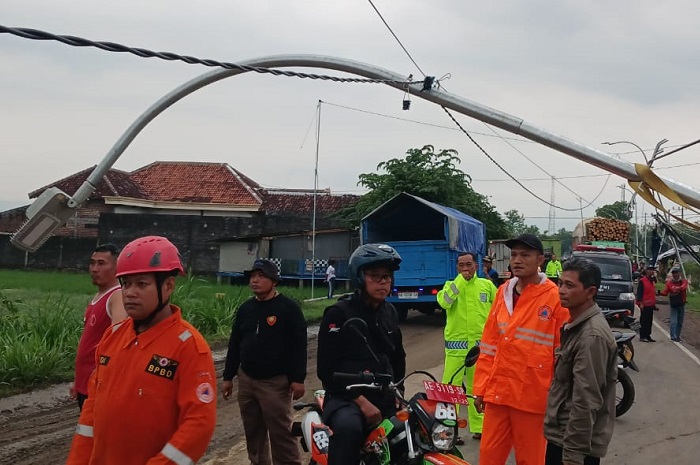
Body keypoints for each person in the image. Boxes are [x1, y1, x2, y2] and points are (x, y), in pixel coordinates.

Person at [67, 236, 217, 464]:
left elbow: (199, 424)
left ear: (168, 286)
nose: (130, 293)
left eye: (142, 284)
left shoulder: (189, 347)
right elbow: (91, 411)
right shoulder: (112, 336)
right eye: (126, 284)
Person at [473, 233, 569, 465]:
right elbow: (489, 345)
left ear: (540, 260)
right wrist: (481, 388)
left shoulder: (554, 298)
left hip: (532, 397)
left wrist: (559, 399)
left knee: (531, 460)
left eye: (525, 255)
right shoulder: (503, 292)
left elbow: (563, 354)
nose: (517, 260)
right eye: (514, 255)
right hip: (499, 394)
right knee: (489, 457)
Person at [317, 244, 406, 465]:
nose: (383, 282)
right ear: (359, 278)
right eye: (375, 276)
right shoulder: (338, 314)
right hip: (346, 398)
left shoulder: (390, 312)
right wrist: (361, 402)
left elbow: (397, 357)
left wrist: (399, 392)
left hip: (383, 394)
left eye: (387, 277)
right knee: (349, 429)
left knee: (411, 432)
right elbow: (325, 371)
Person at [222, 258, 307, 465]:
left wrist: (298, 379)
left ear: (274, 281)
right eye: (252, 277)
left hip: (275, 382)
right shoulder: (246, 309)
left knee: (281, 432)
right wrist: (228, 377)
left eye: (260, 276)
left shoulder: (288, 309)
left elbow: (299, 346)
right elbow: (235, 344)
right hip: (247, 379)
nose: (255, 281)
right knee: (253, 430)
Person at [544, 257, 617, 465]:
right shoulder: (575, 325)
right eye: (560, 283)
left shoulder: (591, 336)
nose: (561, 290)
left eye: (569, 285)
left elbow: (586, 401)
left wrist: (573, 457)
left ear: (590, 292)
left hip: (574, 447)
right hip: (562, 438)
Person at [437, 252, 497, 440]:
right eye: (461, 265)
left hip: (479, 349)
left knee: (477, 389)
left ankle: (479, 428)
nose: (465, 268)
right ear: (456, 268)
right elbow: (444, 302)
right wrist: (460, 281)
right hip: (456, 350)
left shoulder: (487, 286)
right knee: (450, 389)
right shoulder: (451, 286)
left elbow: (498, 310)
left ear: (476, 266)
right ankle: (447, 431)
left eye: (468, 264)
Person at [70, 243, 127, 411]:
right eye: (92, 263)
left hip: (99, 387)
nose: (94, 269)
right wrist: (78, 381)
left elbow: (118, 341)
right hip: (85, 383)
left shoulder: (117, 296)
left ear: (117, 267)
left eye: (101, 263)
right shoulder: (99, 296)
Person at [660, 266, 688, 342]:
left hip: (682, 303)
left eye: (677, 273)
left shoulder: (684, 281)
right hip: (674, 304)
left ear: (679, 273)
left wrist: (675, 289)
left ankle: (677, 336)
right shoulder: (669, 283)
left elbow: (683, 287)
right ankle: (673, 336)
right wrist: (659, 293)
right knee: (673, 321)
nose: (675, 274)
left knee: (680, 321)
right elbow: (666, 292)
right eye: (674, 273)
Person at [636, 265, 658, 342]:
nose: (652, 271)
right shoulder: (643, 281)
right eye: (650, 270)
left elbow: (652, 293)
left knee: (649, 321)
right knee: (644, 320)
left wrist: (654, 304)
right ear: (647, 271)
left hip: (651, 304)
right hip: (644, 304)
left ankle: (648, 335)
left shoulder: (652, 281)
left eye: (653, 270)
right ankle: (642, 336)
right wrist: (641, 303)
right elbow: (640, 293)